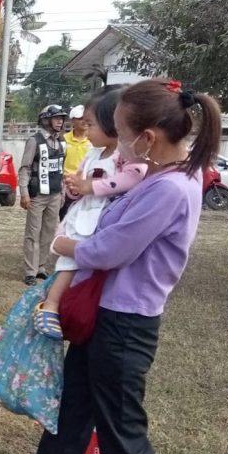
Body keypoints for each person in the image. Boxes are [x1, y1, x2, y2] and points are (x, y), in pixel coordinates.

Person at [0, 79, 222, 454]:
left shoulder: (170, 188)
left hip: (126, 325)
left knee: (121, 432)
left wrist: (64, 246)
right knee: (69, 414)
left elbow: (110, 249)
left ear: (148, 138)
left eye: (120, 132)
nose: (116, 144)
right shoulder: (158, 178)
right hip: (106, 316)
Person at [31, 87, 147, 338]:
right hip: (85, 214)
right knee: (69, 261)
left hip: (101, 217)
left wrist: (91, 187)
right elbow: (80, 184)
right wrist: (75, 188)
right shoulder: (92, 154)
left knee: (77, 261)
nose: (86, 130)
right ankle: (52, 305)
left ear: (113, 124)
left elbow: (134, 176)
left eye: (91, 124)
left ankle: (54, 304)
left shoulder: (124, 156)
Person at [19, 105, 67, 285]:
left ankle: (41, 267)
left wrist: (62, 192)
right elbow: (25, 168)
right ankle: (30, 271)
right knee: (33, 233)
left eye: (61, 118)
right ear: (46, 120)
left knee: (49, 232)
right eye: (56, 118)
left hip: (55, 194)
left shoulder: (61, 141)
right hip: (38, 195)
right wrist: (24, 193)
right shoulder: (34, 141)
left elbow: (61, 169)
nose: (60, 121)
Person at [60, 104, 92, 219]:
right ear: (72, 121)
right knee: (64, 216)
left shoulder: (94, 140)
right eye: (80, 118)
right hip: (66, 184)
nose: (84, 121)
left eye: (86, 118)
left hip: (85, 184)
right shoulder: (64, 139)